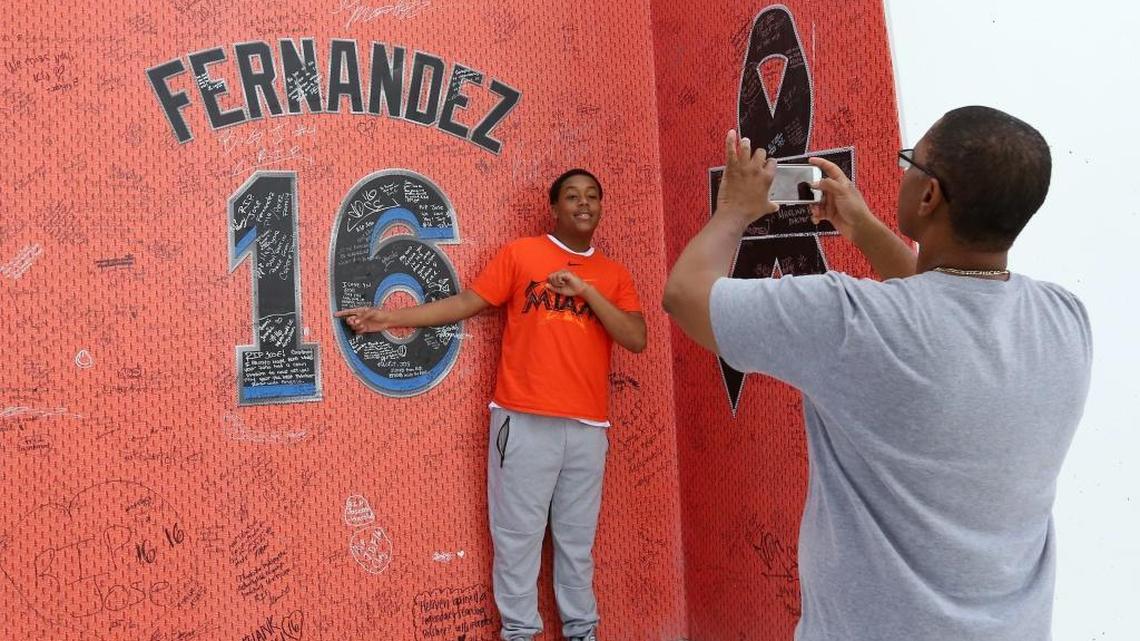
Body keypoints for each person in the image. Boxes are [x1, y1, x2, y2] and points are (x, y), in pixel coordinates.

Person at [662, 106, 1092, 641]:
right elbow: (948, 307)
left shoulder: (848, 321)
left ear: (930, 196)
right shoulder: (1066, 321)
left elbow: (685, 297)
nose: (904, 172)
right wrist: (863, 229)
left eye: (911, 161)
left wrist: (734, 211)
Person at [336, 169, 646, 641]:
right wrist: (388, 318)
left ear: (601, 207)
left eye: (592, 197)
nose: (583, 204)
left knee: (577, 545)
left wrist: (586, 292)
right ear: (555, 206)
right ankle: (519, 632)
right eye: (572, 196)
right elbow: (464, 303)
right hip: (524, 422)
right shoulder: (522, 254)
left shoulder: (614, 274)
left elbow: (635, 337)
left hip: (587, 429)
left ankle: (582, 632)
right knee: (517, 541)